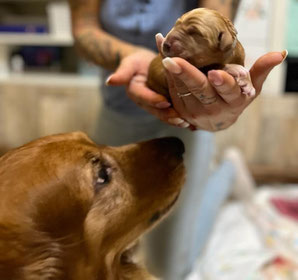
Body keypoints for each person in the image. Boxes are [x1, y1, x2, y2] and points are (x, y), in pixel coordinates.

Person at [68, 0, 286, 279]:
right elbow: (83, 29)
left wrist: (217, 86)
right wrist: (133, 56)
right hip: (117, 111)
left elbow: (216, 20)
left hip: (186, 118)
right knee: (100, 247)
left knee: (169, 268)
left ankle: (227, 172)